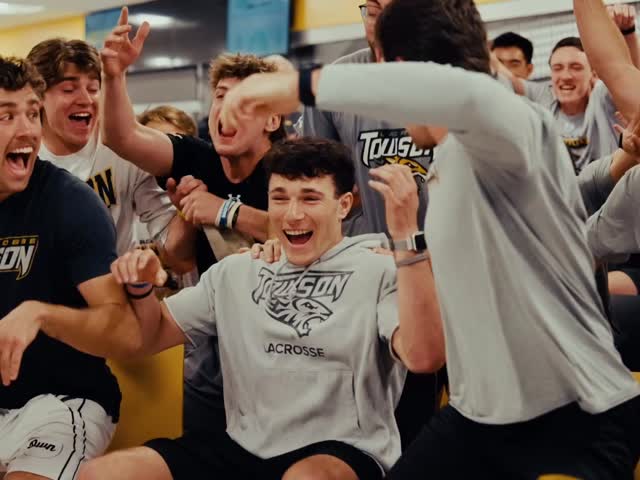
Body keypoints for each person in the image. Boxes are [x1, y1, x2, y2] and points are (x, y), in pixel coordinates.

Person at [219, 0, 640, 476]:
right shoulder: (451, 155)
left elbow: (464, 90)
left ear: (399, 70)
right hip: (481, 417)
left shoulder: (507, 127)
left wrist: (290, 85)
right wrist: (404, 246)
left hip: (579, 418)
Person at [77, 137, 444, 480]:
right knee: (103, 473)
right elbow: (145, 337)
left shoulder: (380, 267)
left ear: (344, 205)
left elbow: (423, 357)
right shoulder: (239, 269)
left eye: (310, 199)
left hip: (341, 450)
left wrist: (406, 238)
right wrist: (141, 288)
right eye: (280, 199)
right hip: (242, 447)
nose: (292, 214)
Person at [99, 6, 286, 440]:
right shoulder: (198, 157)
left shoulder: (292, 165)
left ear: (273, 119)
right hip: (213, 343)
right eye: (221, 95)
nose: (228, 107)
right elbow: (122, 137)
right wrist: (114, 76)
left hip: (282, 343)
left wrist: (224, 210)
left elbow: (314, 234)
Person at [0, 56, 141, 480]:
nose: (27, 130)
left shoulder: (69, 202)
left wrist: (41, 315)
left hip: (59, 403)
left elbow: (125, 332)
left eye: (32, 114)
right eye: (6, 116)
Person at [26, 39, 180, 259]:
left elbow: (174, 248)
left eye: (93, 88)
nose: (86, 99)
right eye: (69, 89)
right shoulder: (21, 153)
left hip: (114, 278)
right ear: (38, 97)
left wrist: (186, 211)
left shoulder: (124, 149)